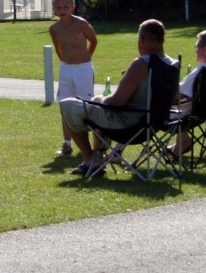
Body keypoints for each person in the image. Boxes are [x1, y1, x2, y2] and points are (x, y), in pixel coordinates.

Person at [59, 19, 173, 175]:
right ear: (163, 40)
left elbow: (116, 102)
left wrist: (101, 101)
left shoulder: (141, 64)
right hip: (153, 124)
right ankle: (98, 156)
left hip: (130, 126)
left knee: (67, 104)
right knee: (97, 101)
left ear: (142, 40)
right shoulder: (172, 65)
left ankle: (90, 158)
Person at [166, 28, 206, 158]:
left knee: (147, 107)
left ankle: (117, 152)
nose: (196, 50)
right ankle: (178, 146)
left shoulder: (203, 71)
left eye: (197, 47)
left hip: (186, 116)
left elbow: (177, 94)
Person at [49, 0, 97, 157]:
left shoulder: (81, 23)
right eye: (58, 7)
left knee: (87, 105)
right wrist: (66, 61)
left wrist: (86, 57)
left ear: (73, 7)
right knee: (65, 105)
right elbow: (58, 48)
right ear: (53, 9)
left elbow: (93, 40)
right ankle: (67, 143)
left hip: (83, 68)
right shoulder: (54, 28)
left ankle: (93, 143)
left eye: (65, 6)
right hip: (66, 69)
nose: (62, 10)